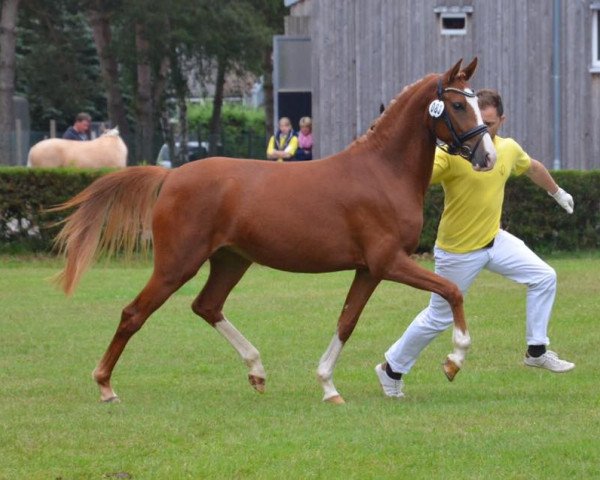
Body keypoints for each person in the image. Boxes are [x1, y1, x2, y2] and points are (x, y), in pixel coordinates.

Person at [375, 88, 576, 399]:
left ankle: (536, 351)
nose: (483, 127)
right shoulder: (453, 155)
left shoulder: (508, 149)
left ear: (502, 121)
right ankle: (391, 370)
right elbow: (415, 175)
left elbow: (532, 167)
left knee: (544, 276)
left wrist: (558, 193)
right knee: (438, 318)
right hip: (458, 252)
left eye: (491, 123)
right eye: (479, 120)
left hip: (494, 240)